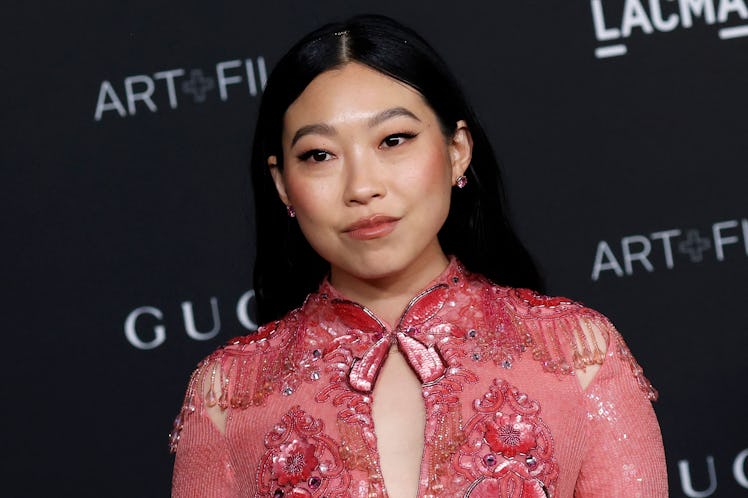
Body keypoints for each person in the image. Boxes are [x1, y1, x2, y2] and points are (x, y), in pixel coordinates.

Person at [170, 14, 667, 498]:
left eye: (394, 140)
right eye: (320, 155)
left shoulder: (576, 352)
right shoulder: (228, 393)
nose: (363, 187)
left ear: (457, 150)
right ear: (283, 184)